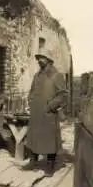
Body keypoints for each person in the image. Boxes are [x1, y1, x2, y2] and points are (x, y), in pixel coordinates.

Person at [23, 48, 68, 176]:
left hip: (49, 113)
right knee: (33, 137)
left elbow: (63, 95)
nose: (39, 60)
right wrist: (30, 101)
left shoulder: (56, 75)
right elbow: (32, 91)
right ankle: (33, 161)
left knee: (49, 139)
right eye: (38, 58)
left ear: (49, 60)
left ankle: (50, 166)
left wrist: (50, 106)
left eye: (41, 58)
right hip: (36, 112)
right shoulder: (37, 75)